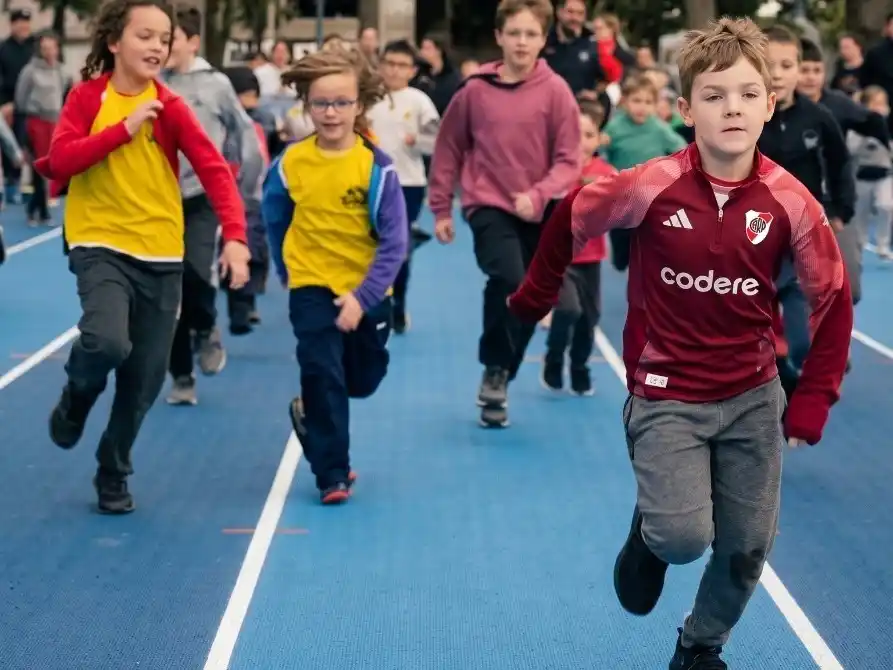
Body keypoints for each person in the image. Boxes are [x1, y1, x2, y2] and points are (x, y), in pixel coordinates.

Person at [508, 17, 852, 668]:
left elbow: (832, 303)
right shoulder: (650, 184)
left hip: (753, 398)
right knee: (684, 537)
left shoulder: (791, 202)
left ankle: (699, 647)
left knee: (747, 546)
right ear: (685, 109)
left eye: (747, 94)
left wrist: (813, 399)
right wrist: (535, 294)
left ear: (769, 105)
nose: (732, 108)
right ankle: (650, 536)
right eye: (714, 95)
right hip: (665, 394)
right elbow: (572, 214)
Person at [34, 0, 250, 515]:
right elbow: (59, 161)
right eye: (145, 36)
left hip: (160, 251)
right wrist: (122, 130)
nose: (158, 46)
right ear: (114, 42)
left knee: (145, 378)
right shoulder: (88, 98)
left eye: (164, 38)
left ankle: (113, 467)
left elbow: (214, 170)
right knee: (107, 342)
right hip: (99, 242)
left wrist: (236, 237)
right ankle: (77, 395)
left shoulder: (170, 107)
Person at [262, 48, 407, 505]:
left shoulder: (376, 167)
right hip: (311, 285)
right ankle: (332, 472)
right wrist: (287, 271)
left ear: (358, 105)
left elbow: (395, 242)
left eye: (341, 102)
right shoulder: (291, 163)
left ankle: (312, 413)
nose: (330, 113)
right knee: (322, 374)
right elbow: (274, 219)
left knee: (361, 379)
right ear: (306, 105)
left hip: (367, 289)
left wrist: (362, 298)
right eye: (321, 103)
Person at [428, 0, 581, 428]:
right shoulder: (475, 91)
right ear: (499, 37)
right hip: (488, 203)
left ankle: (504, 372)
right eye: (514, 33)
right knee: (510, 279)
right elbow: (448, 148)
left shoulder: (556, 92)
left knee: (539, 298)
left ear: (543, 40)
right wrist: (440, 206)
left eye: (531, 34)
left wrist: (539, 193)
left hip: (541, 211)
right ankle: (495, 368)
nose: (522, 42)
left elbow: (569, 160)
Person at [162, 7, 263, 405]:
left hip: (202, 197)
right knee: (168, 291)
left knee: (196, 271)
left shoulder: (216, 84)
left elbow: (245, 136)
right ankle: (181, 376)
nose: (162, 47)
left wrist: (245, 190)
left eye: (170, 39)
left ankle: (206, 328)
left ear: (192, 42)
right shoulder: (151, 83)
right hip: (159, 201)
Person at [367, 39, 440, 333]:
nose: (395, 71)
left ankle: (398, 302)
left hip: (408, 183)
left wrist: (417, 141)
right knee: (371, 245)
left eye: (402, 66)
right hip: (369, 181)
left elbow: (437, 141)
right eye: (390, 64)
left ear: (412, 71)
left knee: (399, 247)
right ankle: (373, 301)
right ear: (380, 66)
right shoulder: (367, 98)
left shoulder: (419, 101)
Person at [541, 100, 611, 395]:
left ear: (599, 140)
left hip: (591, 258)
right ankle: (554, 356)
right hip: (559, 256)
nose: (581, 142)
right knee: (568, 309)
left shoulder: (606, 173)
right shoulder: (554, 171)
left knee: (589, 318)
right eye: (574, 134)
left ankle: (579, 366)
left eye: (589, 135)